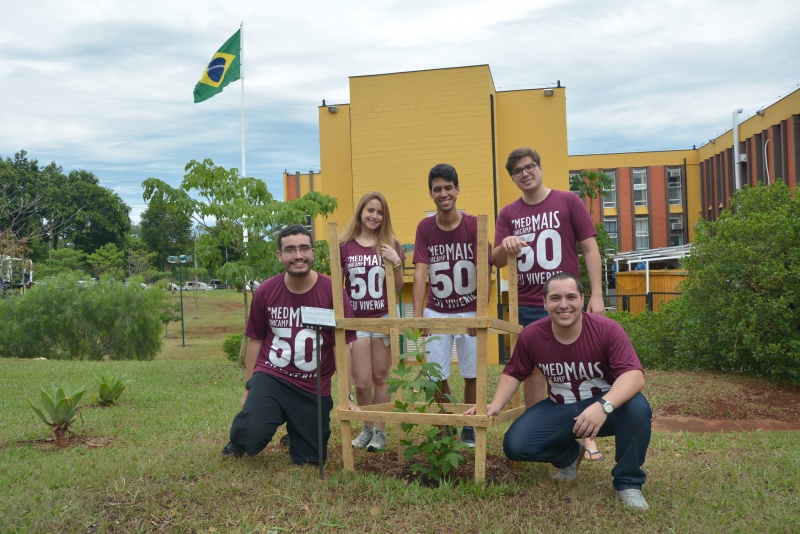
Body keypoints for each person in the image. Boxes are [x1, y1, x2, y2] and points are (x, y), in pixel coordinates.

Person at [465, 272, 652, 509]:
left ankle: (628, 483)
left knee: (637, 407)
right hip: (559, 406)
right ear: (544, 303)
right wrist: (496, 404)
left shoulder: (607, 330)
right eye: (555, 298)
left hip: (604, 406)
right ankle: (569, 456)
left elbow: (634, 376)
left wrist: (604, 406)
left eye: (571, 297)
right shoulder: (532, 335)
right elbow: (514, 371)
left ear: (582, 299)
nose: (563, 305)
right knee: (516, 445)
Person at [493, 147, 606, 460]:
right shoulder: (509, 213)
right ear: (513, 178)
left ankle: (587, 436)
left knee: (576, 365)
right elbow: (496, 259)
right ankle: (543, 432)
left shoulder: (568, 201)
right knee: (533, 372)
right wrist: (506, 244)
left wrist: (596, 294)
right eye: (518, 171)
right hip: (528, 301)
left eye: (529, 167)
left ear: (540, 168)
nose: (525, 174)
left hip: (566, 300)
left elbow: (590, 248)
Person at [222, 225, 356, 465]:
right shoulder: (265, 291)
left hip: (312, 385)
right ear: (279, 255)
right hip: (272, 376)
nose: (298, 255)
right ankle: (243, 432)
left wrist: (345, 393)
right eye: (290, 249)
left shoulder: (333, 292)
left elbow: (342, 345)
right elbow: (256, 339)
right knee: (249, 436)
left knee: (311, 459)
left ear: (313, 252)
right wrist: (249, 388)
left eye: (304, 248)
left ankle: (296, 430)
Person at [413, 163, 491, 448]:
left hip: (470, 306)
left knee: (472, 372)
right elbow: (421, 271)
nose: (443, 193)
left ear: (458, 189)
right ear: (431, 194)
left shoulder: (473, 225)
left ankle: (469, 424)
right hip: (438, 307)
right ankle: (446, 421)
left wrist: (480, 312)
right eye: (437, 189)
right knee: (435, 374)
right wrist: (419, 315)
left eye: (448, 187)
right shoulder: (425, 227)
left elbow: (485, 271)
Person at [339, 192, 405, 452]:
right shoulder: (345, 244)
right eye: (370, 210)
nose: (374, 216)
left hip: (382, 317)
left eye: (379, 212)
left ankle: (380, 431)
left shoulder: (390, 244)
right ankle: (366, 428)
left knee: (381, 377)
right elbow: (339, 286)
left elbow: (397, 288)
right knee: (362, 382)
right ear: (360, 212)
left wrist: (397, 263)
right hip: (356, 320)